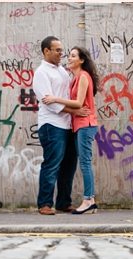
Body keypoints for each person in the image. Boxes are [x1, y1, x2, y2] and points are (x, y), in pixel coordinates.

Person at [32, 36, 88, 215]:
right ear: (46, 51)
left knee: (69, 166)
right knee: (52, 164)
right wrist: (75, 111)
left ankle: (63, 202)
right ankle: (44, 204)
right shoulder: (41, 73)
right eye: (57, 50)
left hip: (68, 125)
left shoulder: (62, 71)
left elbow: (68, 95)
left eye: (62, 50)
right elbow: (50, 103)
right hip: (51, 125)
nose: (61, 54)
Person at [42, 46, 100, 214]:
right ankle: (90, 201)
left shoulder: (83, 76)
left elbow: (79, 103)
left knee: (85, 163)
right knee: (83, 162)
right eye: (69, 55)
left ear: (81, 60)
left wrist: (55, 99)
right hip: (79, 125)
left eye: (73, 56)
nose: (69, 58)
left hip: (86, 124)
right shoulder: (75, 78)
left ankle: (88, 200)